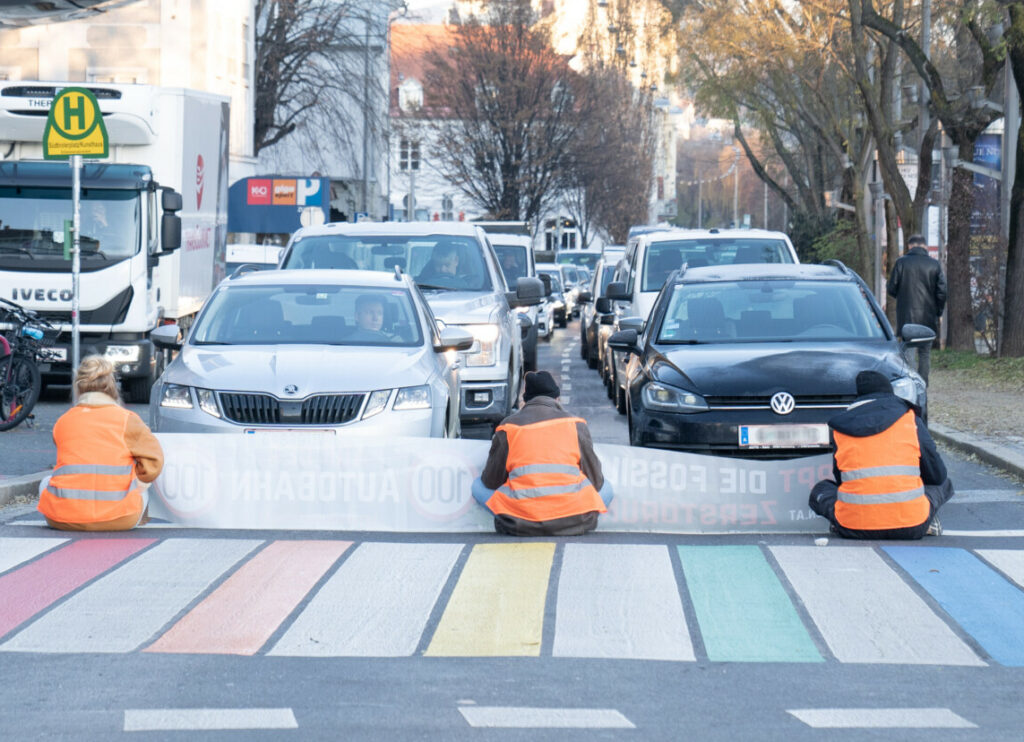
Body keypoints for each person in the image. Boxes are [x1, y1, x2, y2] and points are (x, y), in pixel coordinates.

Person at [809, 370, 954, 539]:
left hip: (854, 526)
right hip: (912, 525)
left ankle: (839, 523)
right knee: (944, 483)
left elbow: (842, 481)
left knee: (820, 490)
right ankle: (928, 521)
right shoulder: (910, 419)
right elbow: (937, 475)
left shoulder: (841, 428)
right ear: (889, 394)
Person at [471, 370, 613, 536]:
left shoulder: (508, 427)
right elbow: (596, 481)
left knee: (476, 486)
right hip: (575, 519)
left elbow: (490, 482)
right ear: (557, 398)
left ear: (525, 401)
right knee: (608, 488)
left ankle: (518, 516)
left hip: (519, 522)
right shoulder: (575, 425)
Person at [37, 356, 163, 531]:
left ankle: (62, 509)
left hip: (62, 519)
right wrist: (136, 479)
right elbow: (154, 463)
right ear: (112, 385)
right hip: (120, 518)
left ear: (77, 386)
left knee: (46, 482)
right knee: (142, 490)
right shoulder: (127, 420)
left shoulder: (63, 421)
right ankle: (138, 517)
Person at [887, 233, 946, 384]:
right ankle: (923, 383)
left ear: (909, 246)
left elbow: (891, 288)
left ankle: (910, 382)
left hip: (907, 316)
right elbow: (942, 292)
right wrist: (937, 311)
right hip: (928, 316)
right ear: (925, 246)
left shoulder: (901, 263)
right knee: (925, 352)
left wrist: (902, 295)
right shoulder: (934, 265)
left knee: (909, 351)